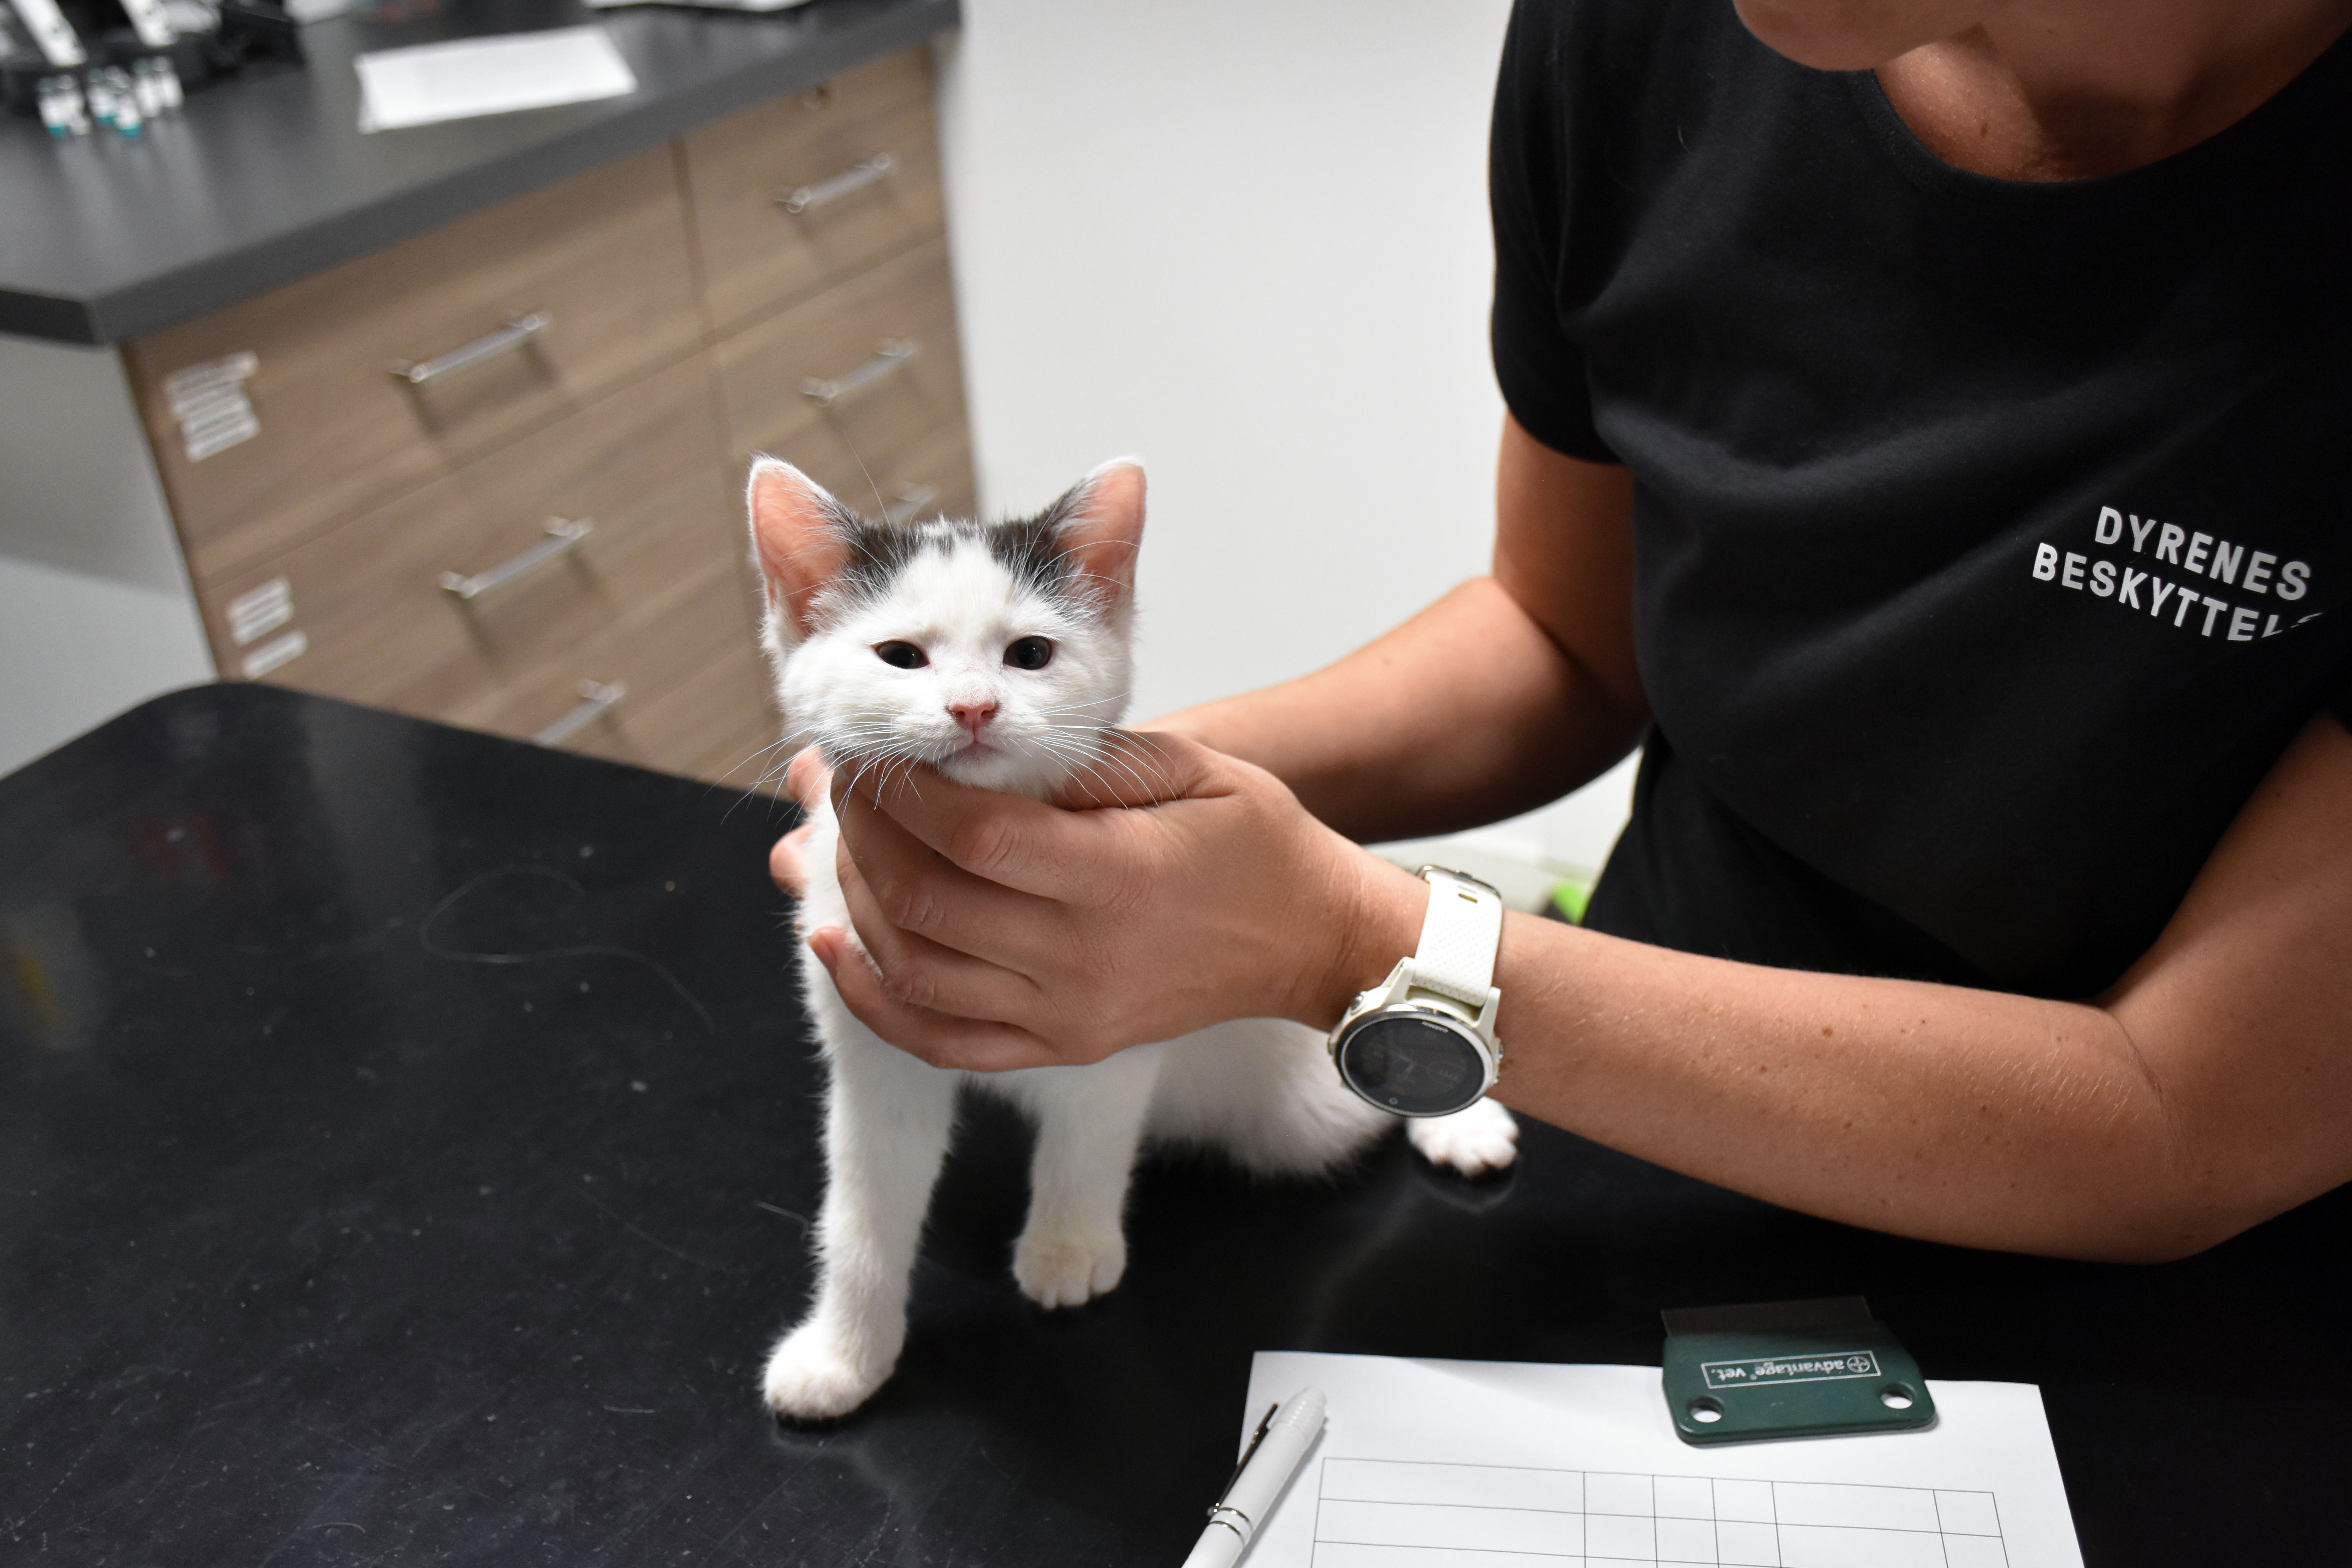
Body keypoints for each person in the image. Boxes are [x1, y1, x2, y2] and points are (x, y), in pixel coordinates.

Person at [769, 0, 2352, 1264]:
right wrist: (1078, 804)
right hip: (1635, 1114)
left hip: (2186, 1305)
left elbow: (2180, 1121)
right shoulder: (1639, 36)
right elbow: (1565, 636)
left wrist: (1351, 944)